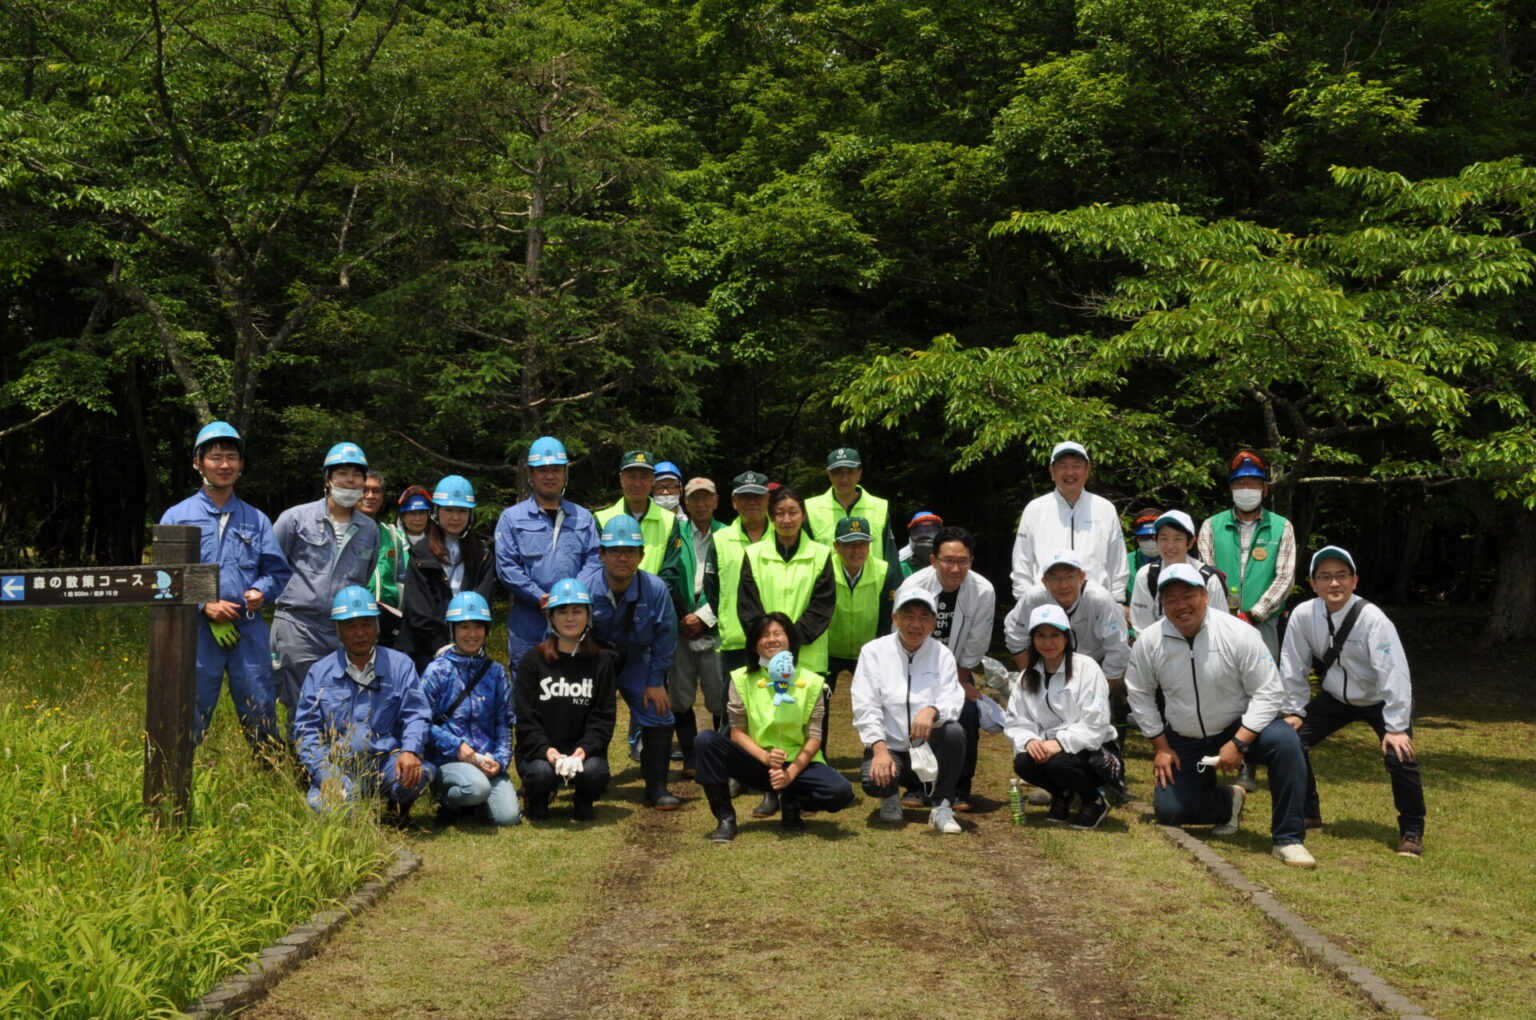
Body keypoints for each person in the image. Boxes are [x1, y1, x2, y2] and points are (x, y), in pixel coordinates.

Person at [1125, 564, 1316, 867]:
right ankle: (1229, 800)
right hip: (1185, 735)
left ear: (1204, 595)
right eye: (1171, 599)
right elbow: (1139, 694)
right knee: (1170, 811)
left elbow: (1269, 692)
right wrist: (1160, 746)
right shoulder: (1149, 641)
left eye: (1188, 596)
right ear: (1162, 604)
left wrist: (1239, 742)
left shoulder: (1239, 633)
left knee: (1285, 741)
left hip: (1236, 726)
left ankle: (1288, 838)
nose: (1180, 605)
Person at [1279, 547, 1425, 856]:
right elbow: (1293, 665)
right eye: (1325, 577)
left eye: (1341, 576)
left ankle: (1412, 830)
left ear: (1354, 581)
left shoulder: (1373, 620)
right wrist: (1294, 710)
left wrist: (1396, 726)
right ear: (1313, 583)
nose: (1334, 583)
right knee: (1291, 741)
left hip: (1378, 700)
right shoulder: (1303, 615)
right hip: (1335, 697)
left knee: (1400, 757)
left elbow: (1394, 673)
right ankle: (1309, 812)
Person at [159, 421, 292, 748]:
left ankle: (268, 770)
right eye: (216, 457)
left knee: (260, 703)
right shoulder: (177, 516)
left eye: (231, 457)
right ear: (198, 462)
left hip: (247, 628)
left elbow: (276, 572)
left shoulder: (256, 519)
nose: (224, 465)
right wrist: (205, 603)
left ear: (241, 464)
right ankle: (181, 770)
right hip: (197, 630)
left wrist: (261, 591)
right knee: (192, 703)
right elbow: (163, 576)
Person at [695, 616, 856, 841]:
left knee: (840, 792)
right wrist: (765, 757)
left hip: (797, 762)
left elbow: (814, 738)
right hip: (756, 759)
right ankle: (725, 818)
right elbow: (737, 732)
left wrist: (790, 774)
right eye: (764, 635)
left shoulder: (812, 682)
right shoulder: (741, 678)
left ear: (791, 640)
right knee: (705, 741)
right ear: (754, 644)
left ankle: (793, 801)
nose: (771, 639)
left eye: (778, 633)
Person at [293, 585, 433, 825]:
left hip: (385, 762)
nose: (360, 633)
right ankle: (352, 811)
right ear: (338, 631)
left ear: (377, 626)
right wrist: (326, 774)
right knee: (329, 809)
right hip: (339, 766)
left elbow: (417, 714)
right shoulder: (320, 672)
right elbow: (306, 731)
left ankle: (397, 808)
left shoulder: (400, 665)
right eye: (350, 626)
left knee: (422, 773)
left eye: (366, 624)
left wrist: (410, 750)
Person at [736, 484, 837, 817]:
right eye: (779, 513)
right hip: (765, 655)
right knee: (769, 723)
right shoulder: (754, 554)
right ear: (771, 516)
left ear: (803, 515)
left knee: (808, 728)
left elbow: (823, 605)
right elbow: (748, 605)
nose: (786, 519)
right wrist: (770, 643)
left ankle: (802, 792)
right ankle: (769, 790)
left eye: (793, 512)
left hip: (807, 657)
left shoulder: (821, 554)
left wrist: (790, 644)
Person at [271, 442, 380, 740]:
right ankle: (302, 762)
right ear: (327, 479)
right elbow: (271, 566)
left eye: (356, 475)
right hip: (298, 625)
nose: (350, 481)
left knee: (341, 700)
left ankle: (335, 760)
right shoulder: (295, 519)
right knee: (301, 701)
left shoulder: (369, 529)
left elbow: (365, 573)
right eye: (342, 473)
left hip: (343, 628)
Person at [580, 515, 681, 809]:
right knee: (578, 711)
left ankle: (656, 786)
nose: (622, 558)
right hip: (591, 663)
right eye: (615, 551)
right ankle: (589, 778)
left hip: (636, 660)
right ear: (601, 554)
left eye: (630, 551)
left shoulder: (655, 589)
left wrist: (655, 681)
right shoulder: (584, 588)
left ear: (641, 556)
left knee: (659, 711)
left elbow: (666, 637)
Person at [850, 587, 968, 835]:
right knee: (873, 782)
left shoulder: (942, 654)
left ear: (934, 623)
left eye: (924, 617)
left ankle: (942, 805)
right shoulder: (873, 652)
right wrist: (879, 750)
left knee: (954, 732)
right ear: (896, 618)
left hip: (927, 748)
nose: (916, 624)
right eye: (909, 616)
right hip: (891, 748)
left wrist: (933, 710)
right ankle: (890, 794)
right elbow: (865, 705)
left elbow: (953, 698)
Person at [899, 526, 996, 811]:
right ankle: (917, 785)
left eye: (962, 561)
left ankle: (959, 788)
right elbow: (903, 634)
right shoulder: (914, 585)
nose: (955, 568)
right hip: (915, 666)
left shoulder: (983, 590)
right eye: (948, 561)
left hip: (958, 669)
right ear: (933, 560)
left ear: (971, 561)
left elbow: (977, 640)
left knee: (966, 713)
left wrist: (960, 681)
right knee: (912, 711)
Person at [1005, 604, 1120, 828]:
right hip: (1051, 750)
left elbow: (1096, 723)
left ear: (1067, 638)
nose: (1048, 642)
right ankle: (1062, 794)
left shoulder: (1087, 668)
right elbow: (1016, 721)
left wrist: (1059, 743)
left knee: (1058, 763)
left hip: (1094, 752)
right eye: (1041, 636)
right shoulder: (1027, 676)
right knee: (1023, 763)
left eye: (1055, 635)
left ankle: (1094, 801)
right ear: (1032, 640)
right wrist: (1030, 741)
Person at [514, 578, 617, 821]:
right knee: (541, 774)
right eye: (562, 611)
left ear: (588, 616)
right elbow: (525, 719)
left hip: (582, 753)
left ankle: (584, 799)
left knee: (595, 772)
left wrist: (584, 751)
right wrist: (548, 752)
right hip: (542, 754)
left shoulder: (602, 662)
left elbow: (603, 718)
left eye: (577, 611)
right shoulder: (532, 660)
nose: (570, 618)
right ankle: (537, 798)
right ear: (551, 617)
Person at [494, 436, 601, 668]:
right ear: (530, 474)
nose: (550, 476)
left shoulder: (583, 518)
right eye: (542, 470)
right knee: (527, 683)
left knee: (573, 684)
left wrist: (570, 597)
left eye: (555, 469)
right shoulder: (511, 518)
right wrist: (540, 597)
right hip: (528, 623)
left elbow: (594, 561)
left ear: (565, 473)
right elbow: (506, 567)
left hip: (573, 622)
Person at [420, 592, 519, 826]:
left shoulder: (496, 672)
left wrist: (500, 761)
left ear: (486, 630)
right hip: (448, 761)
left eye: (478, 627)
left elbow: (504, 724)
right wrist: (456, 746)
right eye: (464, 627)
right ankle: (448, 800)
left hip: (486, 761)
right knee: (476, 787)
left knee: (508, 817)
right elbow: (421, 723)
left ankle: (475, 803)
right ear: (453, 630)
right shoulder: (437, 671)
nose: (472, 634)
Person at [1197, 449, 1296, 660]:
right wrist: (1221, 613)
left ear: (1264, 489)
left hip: (1264, 622)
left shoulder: (1281, 527)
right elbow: (1206, 575)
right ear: (1231, 489)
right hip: (1219, 621)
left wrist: (1254, 614)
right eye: (1239, 484)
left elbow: (1285, 578)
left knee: (1264, 678)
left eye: (1252, 484)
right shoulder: (1211, 525)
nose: (1245, 489)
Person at [397, 475, 499, 671]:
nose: (455, 517)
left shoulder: (482, 553)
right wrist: (442, 646)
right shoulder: (421, 552)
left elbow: (483, 603)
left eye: (462, 510)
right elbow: (418, 610)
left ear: (471, 514)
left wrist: (468, 640)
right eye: (449, 510)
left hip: (469, 645)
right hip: (425, 649)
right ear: (436, 512)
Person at [1009, 441, 1128, 603]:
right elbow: (1022, 564)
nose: (1070, 472)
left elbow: (1118, 562)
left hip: (1096, 605)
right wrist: (1026, 603)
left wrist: (1117, 601)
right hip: (1045, 605)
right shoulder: (1035, 509)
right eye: (1062, 466)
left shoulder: (1105, 508)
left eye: (1076, 465)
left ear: (1087, 470)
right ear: (1052, 472)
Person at [669, 476, 725, 775]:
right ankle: (690, 757)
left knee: (719, 695)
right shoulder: (674, 533)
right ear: (685, 502)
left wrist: (704, 617)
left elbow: (732, 583)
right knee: (679, 695)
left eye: (706, 497)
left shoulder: (728, 535)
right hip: (679, 624)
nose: (700, 504)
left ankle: (719, 755)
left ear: (716, 500)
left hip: (715, 626)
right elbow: (666, 575)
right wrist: (683, 616)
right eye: (694, 498)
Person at [826, 517, 899, 685]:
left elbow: (887, 617)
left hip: (868, 650)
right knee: (820, 699)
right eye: (849, 544)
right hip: (828, 651)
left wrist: (880, 651)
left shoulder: (883, 571)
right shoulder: (824, 568)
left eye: (862, 544)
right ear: (836, 546)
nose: (856, 550)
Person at [1128, 510, 1227, 635]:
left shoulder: (1208, 578)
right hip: (1160, 646)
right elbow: (1142, 628)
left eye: (1177, 539)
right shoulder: (1146, 576)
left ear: (1190, 542)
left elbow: (1220, 625)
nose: (1170, 546)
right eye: (1164, 539)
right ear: (1156, 540)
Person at [595, 449, 684, 583]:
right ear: (621, 479)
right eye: (631, 477)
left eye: (644, 477)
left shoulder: (670, 521)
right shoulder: (601, 520)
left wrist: (650, 594)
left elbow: (670, 573)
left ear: (652, 480)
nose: (637, 483)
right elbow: (597, 567)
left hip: (656, 596)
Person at [715, 470, 773, 674]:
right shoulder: (720, 539)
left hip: (775, 638)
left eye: (757, 496)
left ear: (768, 499)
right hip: (735, 640)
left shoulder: (782, 536)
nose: (751, 502)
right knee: (734, 696)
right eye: (745, 497)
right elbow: (712, 590)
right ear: (734, 501)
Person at [804, 447, 899, 566]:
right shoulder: (812, 509)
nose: (844, 478)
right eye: (838, 472)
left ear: (859, 473)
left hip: (873, 578)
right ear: (829, 474)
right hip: (828, 578)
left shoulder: (879, 508)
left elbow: (890, 559)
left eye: (850, 472)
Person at [367, 481, 431, 648]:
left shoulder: (436, 545)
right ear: (403, 516)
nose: (417, 519)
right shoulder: (392, 539)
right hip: (388, 617)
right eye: (412, 513)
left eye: (422, 513)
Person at [1125, 506, 1162, 609]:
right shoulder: (1125, 562)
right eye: (1145, 537)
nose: (1150, 541)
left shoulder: (1174, 560)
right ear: (1137, 538)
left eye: (1154, 537)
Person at [898, 510, 943, 579]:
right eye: (920, 532)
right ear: (911, 535)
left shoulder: (948, 559)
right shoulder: (902, 564)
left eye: (931, 531)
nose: (926, 536)